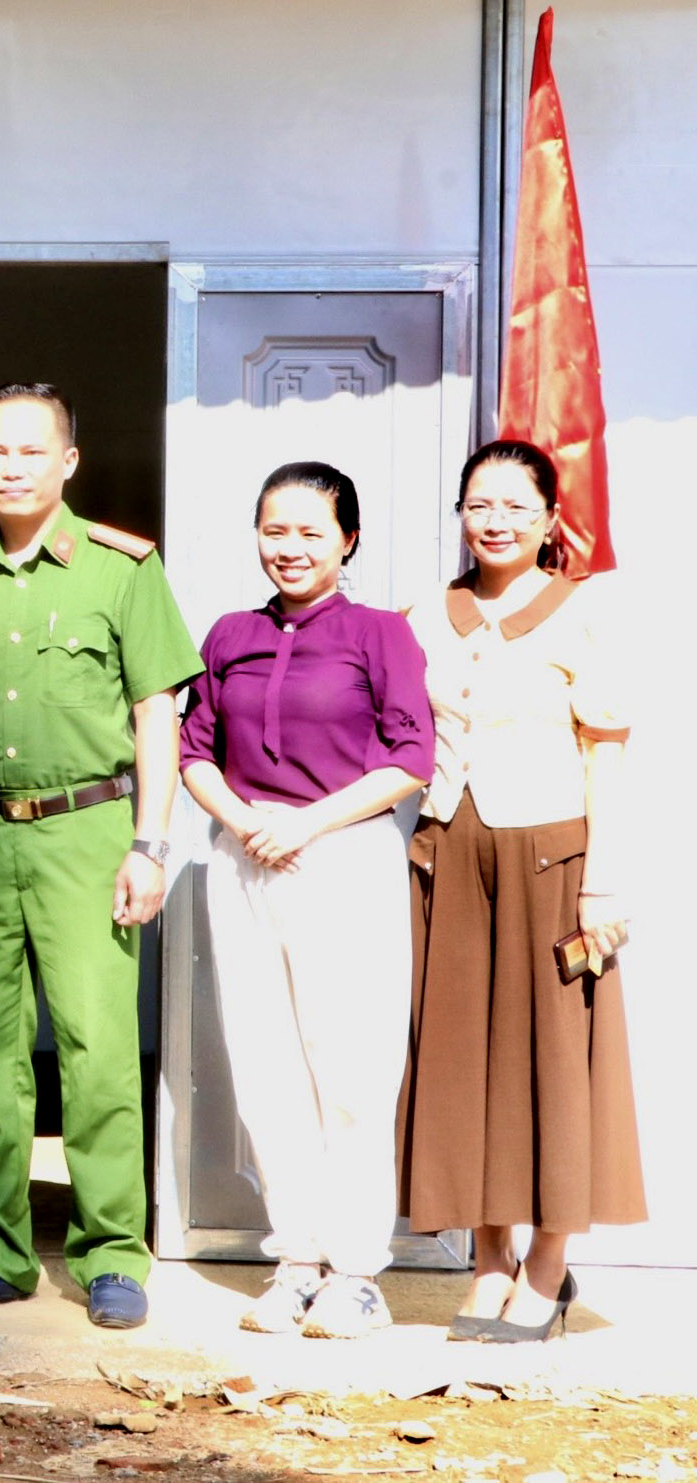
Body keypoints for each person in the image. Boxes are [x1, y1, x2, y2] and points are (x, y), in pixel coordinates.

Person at [0, 383, 202, 1329]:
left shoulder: (122, 569)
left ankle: (113, 1250)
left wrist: (151, 844)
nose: (14, 466)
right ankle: (0, 1246)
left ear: (69, 461)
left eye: (33, 450)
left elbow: (160, 713)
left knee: (97, 1047)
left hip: (90, 829)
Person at [179, 463, 432, 1338]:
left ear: (347, 540)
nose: (290, 547)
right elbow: (194, 750)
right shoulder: (227, 634)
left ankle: (357, 1270)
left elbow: (410, 758)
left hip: (345, 858)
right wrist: (246, 821)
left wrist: (308, 824)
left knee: (352, 1069)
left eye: (310, 532)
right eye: (274, 530)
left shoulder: (379, 635)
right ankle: (294, 1261)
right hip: (245, 857)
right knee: (266, 1066)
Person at [399, 439, 643, 1343]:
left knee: (553, 1063)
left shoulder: (585, 611)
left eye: (514, 505)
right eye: (477, 504)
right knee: (462, 1061)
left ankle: (547, 1264)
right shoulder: (428, 613)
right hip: (450, 850)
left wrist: (604, 881)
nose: (494, 521)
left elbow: (606, 751)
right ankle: (488, 1258)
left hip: (553, 856)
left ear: (548, 519)